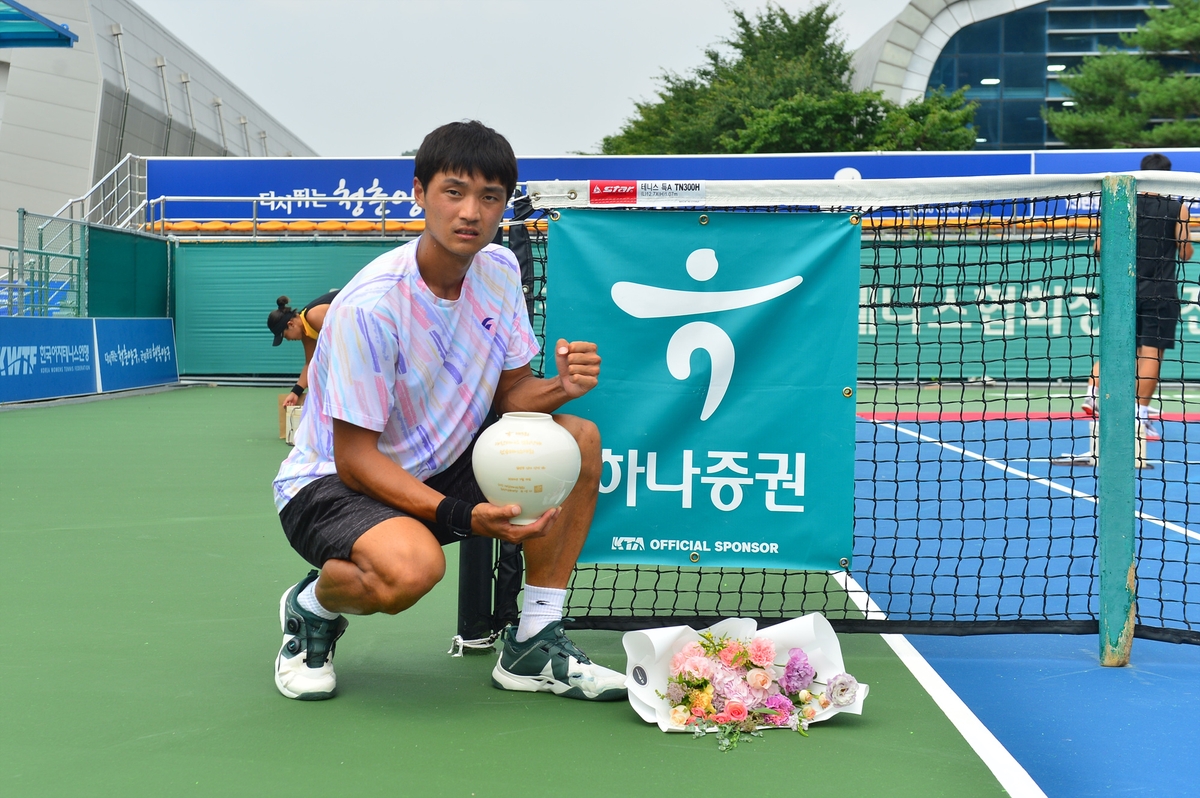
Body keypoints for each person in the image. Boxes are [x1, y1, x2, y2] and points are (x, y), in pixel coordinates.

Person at [270, 120, 625, 703]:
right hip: (333, 484)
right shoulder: (371, 307)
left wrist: (560, 387)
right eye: (454, 192)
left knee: (577, 437)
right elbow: (355, 460)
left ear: (504, 206)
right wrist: (464, 514)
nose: (471, 212)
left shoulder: (499, 271)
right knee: (412, 571)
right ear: (419, 193)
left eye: (490, 198)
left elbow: (512, 395)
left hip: (440, 462)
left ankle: (534, 640)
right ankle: (312, 607)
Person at [1084, 153, 1193, 441]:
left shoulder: (1120, 204)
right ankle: (1140, 415)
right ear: (1167, 176)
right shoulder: (1177, 208)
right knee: (1151, 352)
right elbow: (1186, 251)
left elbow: (1098, 248)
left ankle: (1093, 392)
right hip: (1161, 293)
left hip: (1123, 291)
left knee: (1118, 346)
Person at [267, 291, 339, 407]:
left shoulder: (313, 316)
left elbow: (342, 345)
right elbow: (310, 363)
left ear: (291, 324)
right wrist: (295, 392)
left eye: (285, 336)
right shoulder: (307, 332)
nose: (288, 340)